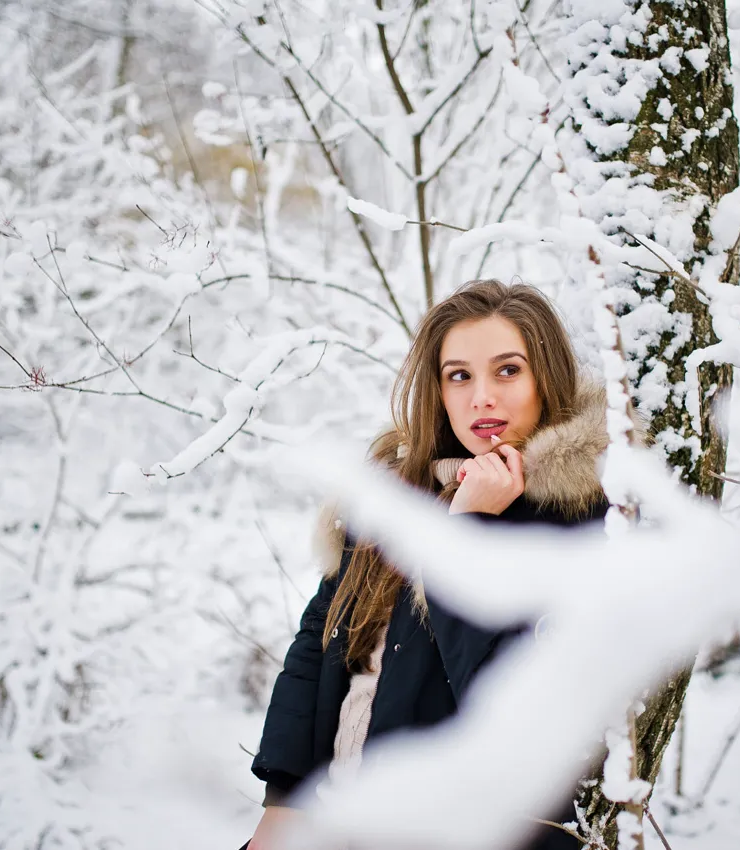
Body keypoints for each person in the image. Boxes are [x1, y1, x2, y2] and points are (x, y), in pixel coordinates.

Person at [246, 280, 614, 850]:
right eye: (459, 375)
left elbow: (509, 700)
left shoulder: (577, 519)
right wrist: (282, 801)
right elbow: (320, 641)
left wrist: (466, 533)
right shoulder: (397, 493)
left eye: (508, 370)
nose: (482, 397)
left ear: (547, 376)